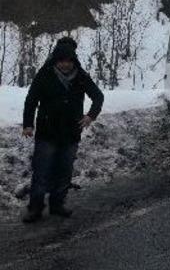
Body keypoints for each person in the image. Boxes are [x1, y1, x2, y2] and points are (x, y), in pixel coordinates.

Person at [21, 40, 104, 223]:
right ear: (55, 60)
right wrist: (28, 124)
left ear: (73, 60)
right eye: (61, 60)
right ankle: (35, 208)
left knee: (65, 171)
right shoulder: (45, 75)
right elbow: (31, 101)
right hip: (47, 133)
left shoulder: (81, 76)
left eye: (68, 60)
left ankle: (57, 205)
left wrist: (91, 116)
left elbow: (98, 96)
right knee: (41, 172)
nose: (65, 64)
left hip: (70, 134)